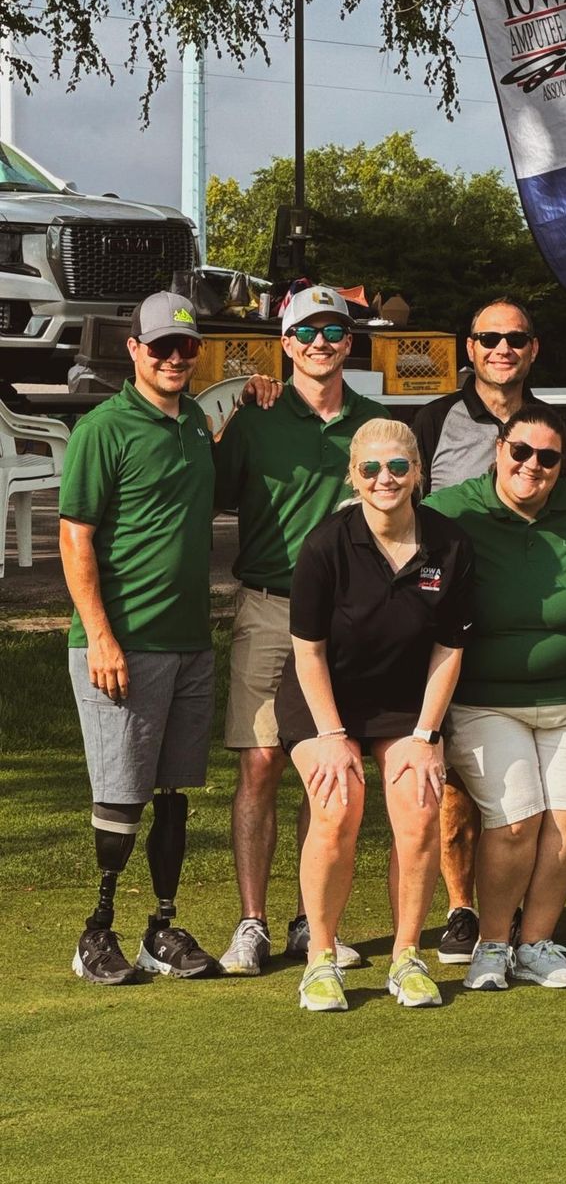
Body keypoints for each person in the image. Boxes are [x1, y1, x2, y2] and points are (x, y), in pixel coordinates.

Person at [213, 285, 391, 977]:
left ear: (350, 343)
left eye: (334, 331)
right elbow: (212, 491)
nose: (322, 343)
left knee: (328, 772)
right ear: (286, 343)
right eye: (308, 332)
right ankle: (252, 921)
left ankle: (312, 921)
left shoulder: (377, 426)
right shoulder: (255, 417)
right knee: (260, 763)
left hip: (348, 620)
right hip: (268, 606)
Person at [425, 403, 566, 991]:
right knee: (516, 821)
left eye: (548, 457)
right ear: (498, 451)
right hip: (487, 699)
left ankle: (537, 942)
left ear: (563, 465)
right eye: (521, 452)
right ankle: (492, 944)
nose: (532, 466)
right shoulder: (449, 511)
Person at [279, 419, 472, 1011]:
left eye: (396, 467)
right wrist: (332, 735)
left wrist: (426, 734)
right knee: (337, 807)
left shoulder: (450, 543)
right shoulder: (325, 545)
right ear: (353, 478)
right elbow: (307, 649)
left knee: (419, 808)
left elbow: (450, 648)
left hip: (405, 701)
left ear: (417, 473)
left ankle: (407, 955)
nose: (384, 479)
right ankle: (320, 958)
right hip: (322, 696)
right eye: (370, 469)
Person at [63, 291, 220, 983]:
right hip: (123, 641)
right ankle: (96, 931)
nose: (175, 358)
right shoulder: (105, 427)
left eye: (186, 346)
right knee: (120, 792)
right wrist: (100, 635)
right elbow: (76, 536)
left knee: (174, 791)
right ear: (133, 350)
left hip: (190, 640)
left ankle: (161, 927)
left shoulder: (195, 426)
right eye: (161, 346)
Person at [412, 296, 539, 965]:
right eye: (489, 337)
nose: (502, 348)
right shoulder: (434, 420)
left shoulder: (550, 423)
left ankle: (517, 904)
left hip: (528, 625)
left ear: (532, 349)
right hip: (448, 628)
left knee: (523, 778)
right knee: (456, 779)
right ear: (470, 346)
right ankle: (463, 907)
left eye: (515, 338)